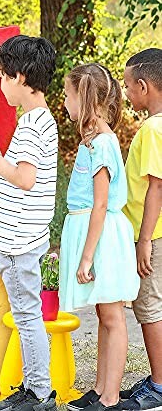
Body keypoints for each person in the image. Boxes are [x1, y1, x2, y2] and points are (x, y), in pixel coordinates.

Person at [0, 35, 58, 411]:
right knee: (24, 314)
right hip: (17, 238)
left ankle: (39, 393)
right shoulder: (34, 122)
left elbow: (25, 178)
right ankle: (31, 386)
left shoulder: (34, 125)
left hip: (19, 240)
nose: (1, 84)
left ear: (20, 77)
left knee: (26, 315)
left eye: (3, 76)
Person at [60, 64, 140, 411]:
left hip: (102, 240)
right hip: (94, 235)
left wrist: (88, 256)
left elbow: (101, 202)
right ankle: (99, 388)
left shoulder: (103, 144)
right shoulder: (92, 142)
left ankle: (110, 396)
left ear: (86, 98)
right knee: (103, 311)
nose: (64, 102)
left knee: (112, 315)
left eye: (67, 95)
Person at [120, 48, 162, 411]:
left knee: (149, 306)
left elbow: (156, 186)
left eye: (128, 85)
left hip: (153, 233)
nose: (126, 93)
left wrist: (144, 239)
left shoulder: (152, 128)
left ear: (144, 86)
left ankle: (160, 386)